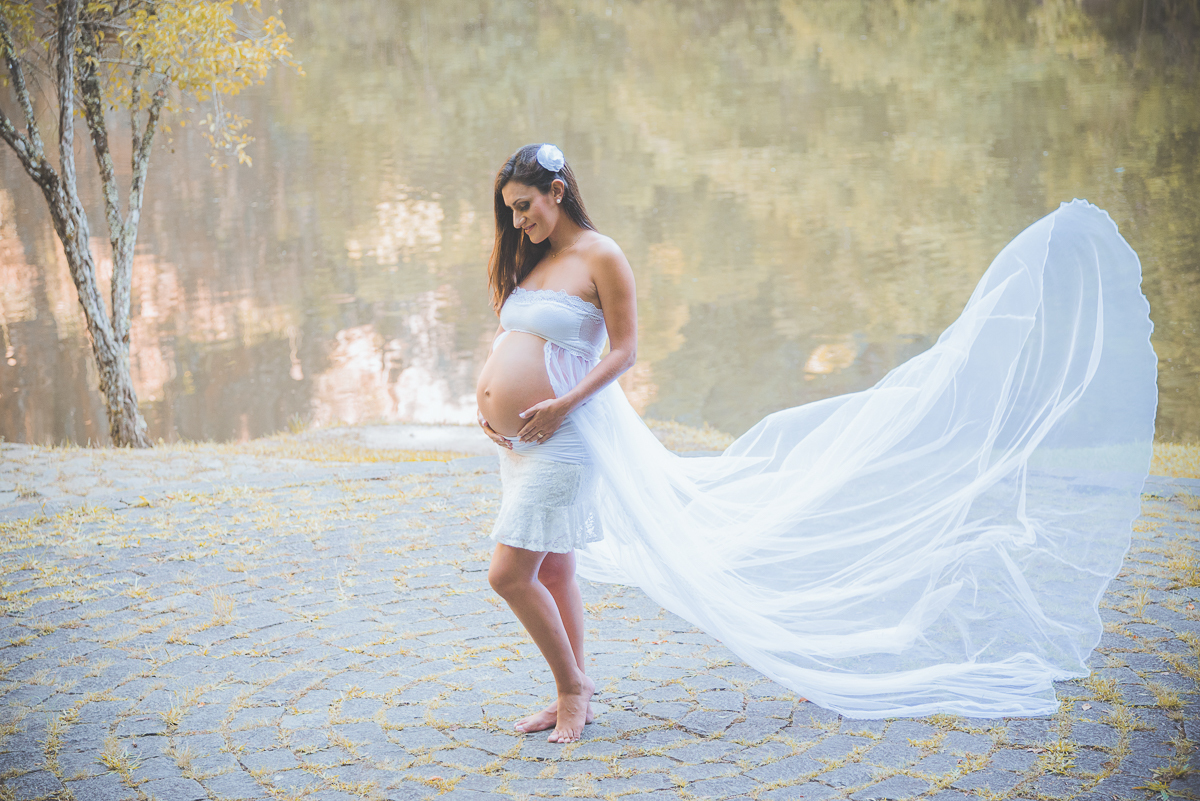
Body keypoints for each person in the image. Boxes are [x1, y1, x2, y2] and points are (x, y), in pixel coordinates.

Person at [476, 143, 1158, 741]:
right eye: (509, 209)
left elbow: (623, 352)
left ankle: (573, 690)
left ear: (559, 191)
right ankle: (575, 683)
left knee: (509, 574)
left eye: (525, 204)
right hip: (521, 445)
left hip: (565, 436)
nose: (518, 220)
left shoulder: (601, 255)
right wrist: (488, 401)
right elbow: (519, 337)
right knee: (556, 570)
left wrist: (562, 402)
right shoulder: (534, 257)